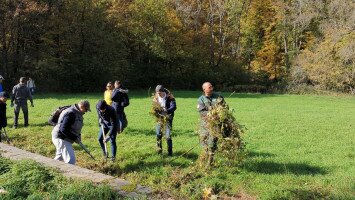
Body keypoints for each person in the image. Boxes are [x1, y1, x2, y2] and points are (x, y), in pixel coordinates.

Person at [51, 100, 91, 165]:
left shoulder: (77, 113)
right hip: (61, 138)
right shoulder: (71, 113)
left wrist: (78, 135)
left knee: (59, 159)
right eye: (86, 110)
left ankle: (50, 170)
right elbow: (63, 129)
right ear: (82, 107)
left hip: (63, 138)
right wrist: (74, 138)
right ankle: (70, 174)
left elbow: (74, 127)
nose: (86, 112)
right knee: (70, 160)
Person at [197, 82, 225, 166]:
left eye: (212, 86)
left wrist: (220, 112)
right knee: (203, 141)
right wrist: (211, 114)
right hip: (205, 124)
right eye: (209, 87)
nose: (212, 88)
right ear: (204, 89)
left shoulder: (219, 97)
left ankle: (210, 161)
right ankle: (205, 156)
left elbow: (225, 107)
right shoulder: (201, 99)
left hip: (216, 124)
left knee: (212, 142)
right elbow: (201, 112)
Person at [153, 85, 176, 156]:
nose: (158, 94)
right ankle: (159, 151)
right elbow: (154, 107)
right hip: (159, 119)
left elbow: (174, 107)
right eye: (157, 92)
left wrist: (167, 111)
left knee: (168, 135)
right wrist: (156, 111)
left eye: (159, 92)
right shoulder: (156, 98)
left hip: (168, 118)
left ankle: (170, 153)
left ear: (163, 92)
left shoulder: (170, 97)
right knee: (158, 134)